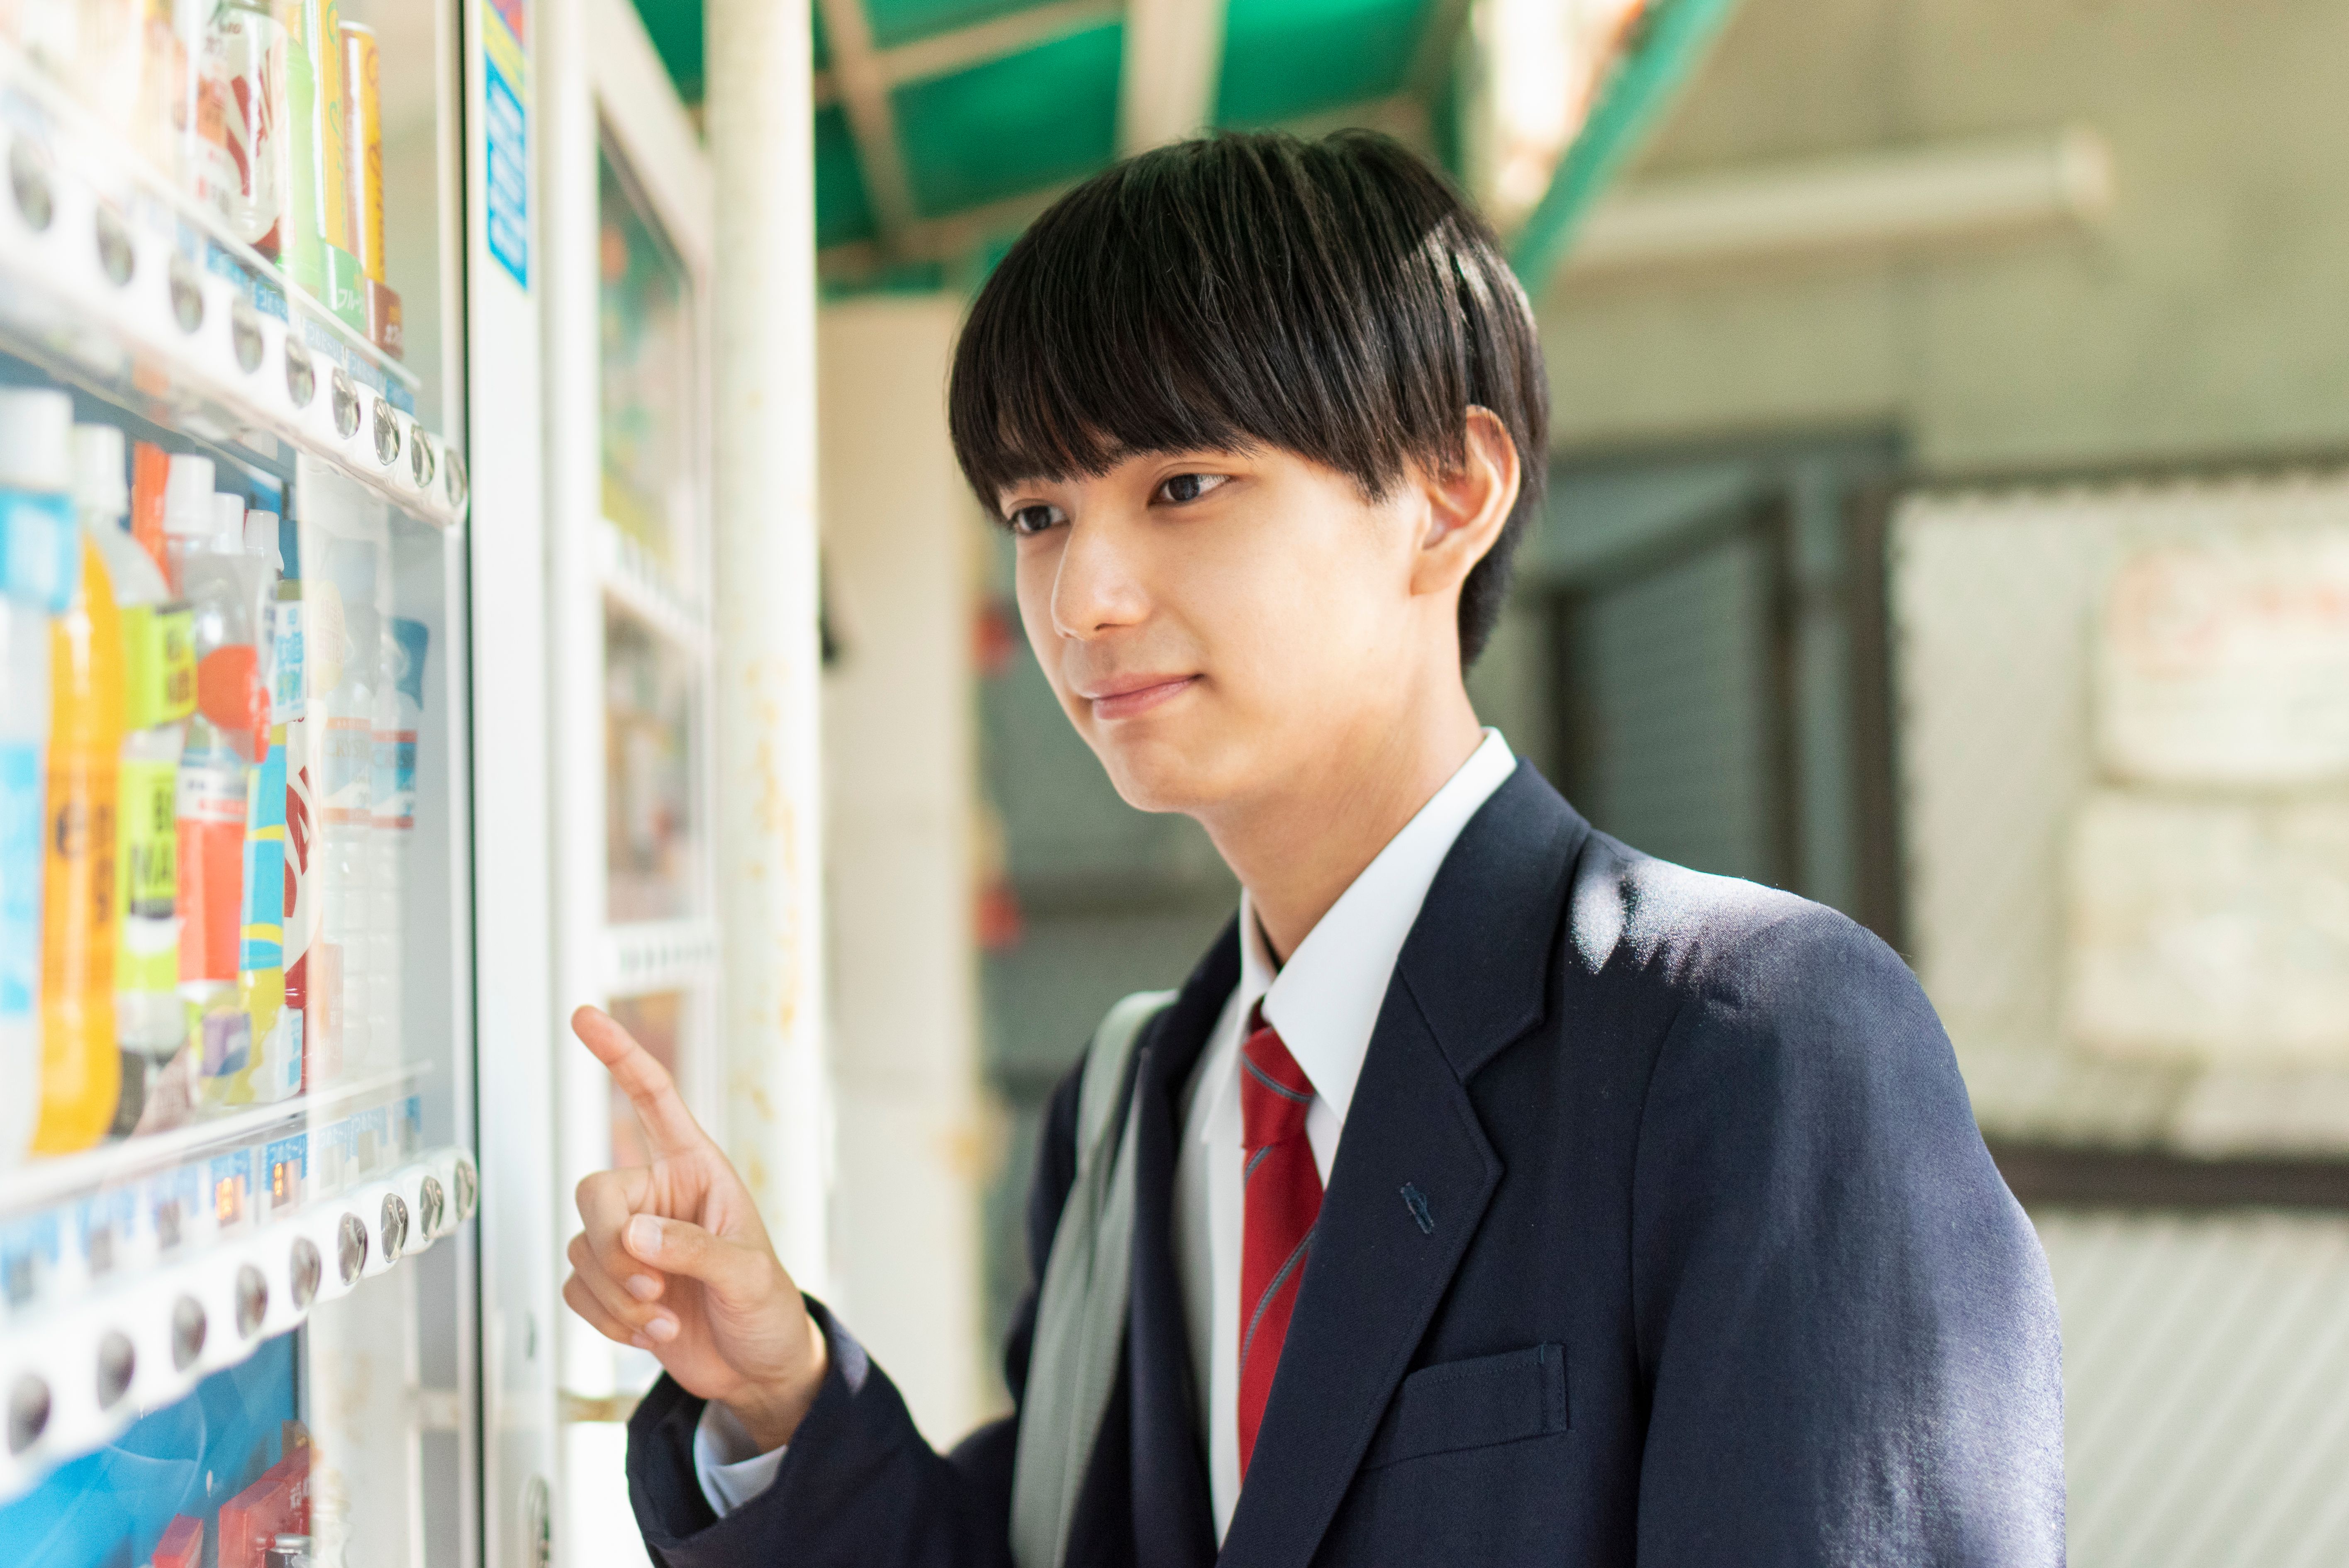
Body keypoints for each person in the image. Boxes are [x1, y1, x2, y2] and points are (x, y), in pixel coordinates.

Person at [563, 130, 2066, 1568]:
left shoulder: (1755, 1046)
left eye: (1182, 486)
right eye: (1037, 511)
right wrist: (775, 1387)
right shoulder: (1137, 1106)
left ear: (1449, 495)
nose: (1082, 595)